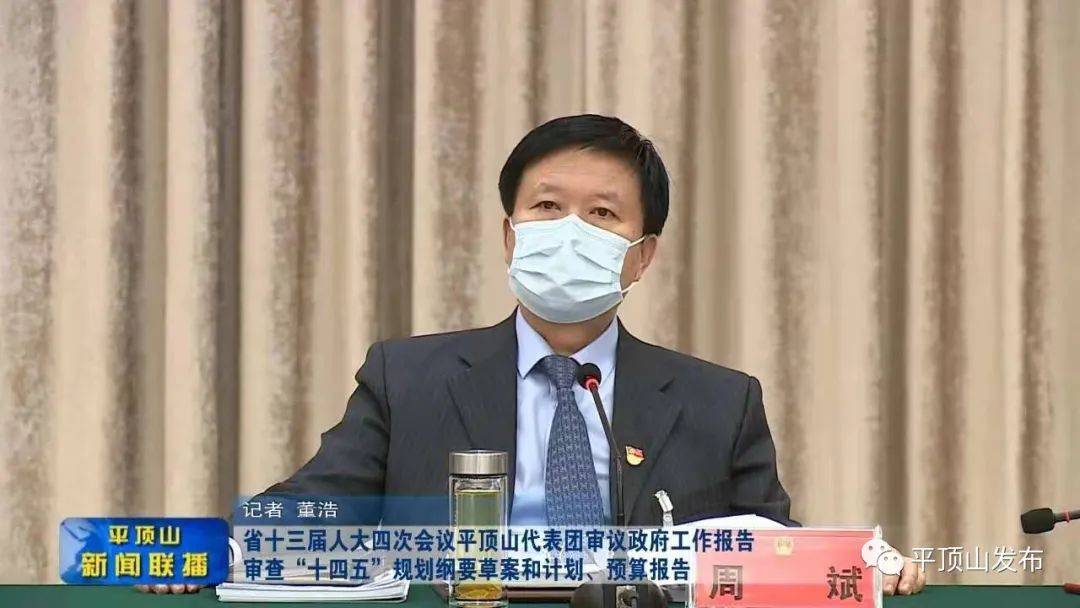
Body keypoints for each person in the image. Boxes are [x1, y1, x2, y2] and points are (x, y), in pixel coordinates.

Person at [142, 114, 925, 595]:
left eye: (603, 214)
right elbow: (316, 509)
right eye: (547, 207)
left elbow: (765, 545)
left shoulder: (718, 400)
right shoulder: (407, 379)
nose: (569, 231)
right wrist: (210, 550)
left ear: (643, 255)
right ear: (510, 234)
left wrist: (857, 562)